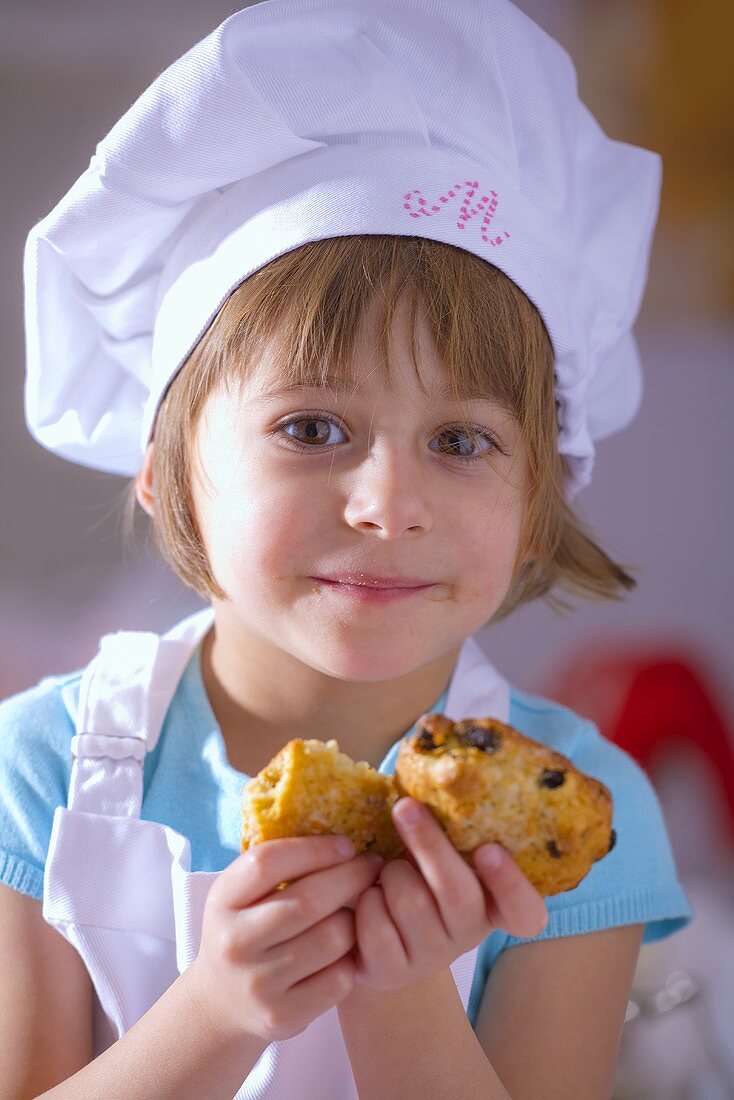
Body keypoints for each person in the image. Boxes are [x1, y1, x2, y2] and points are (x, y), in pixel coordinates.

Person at [2, 1, 693, 1096]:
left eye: (460, 440)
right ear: (165, 465)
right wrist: (215, 1013)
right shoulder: (34, 768)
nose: (386, 503)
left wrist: (396, 989)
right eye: (311, 428)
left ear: (539, 494)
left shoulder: (587, 811)